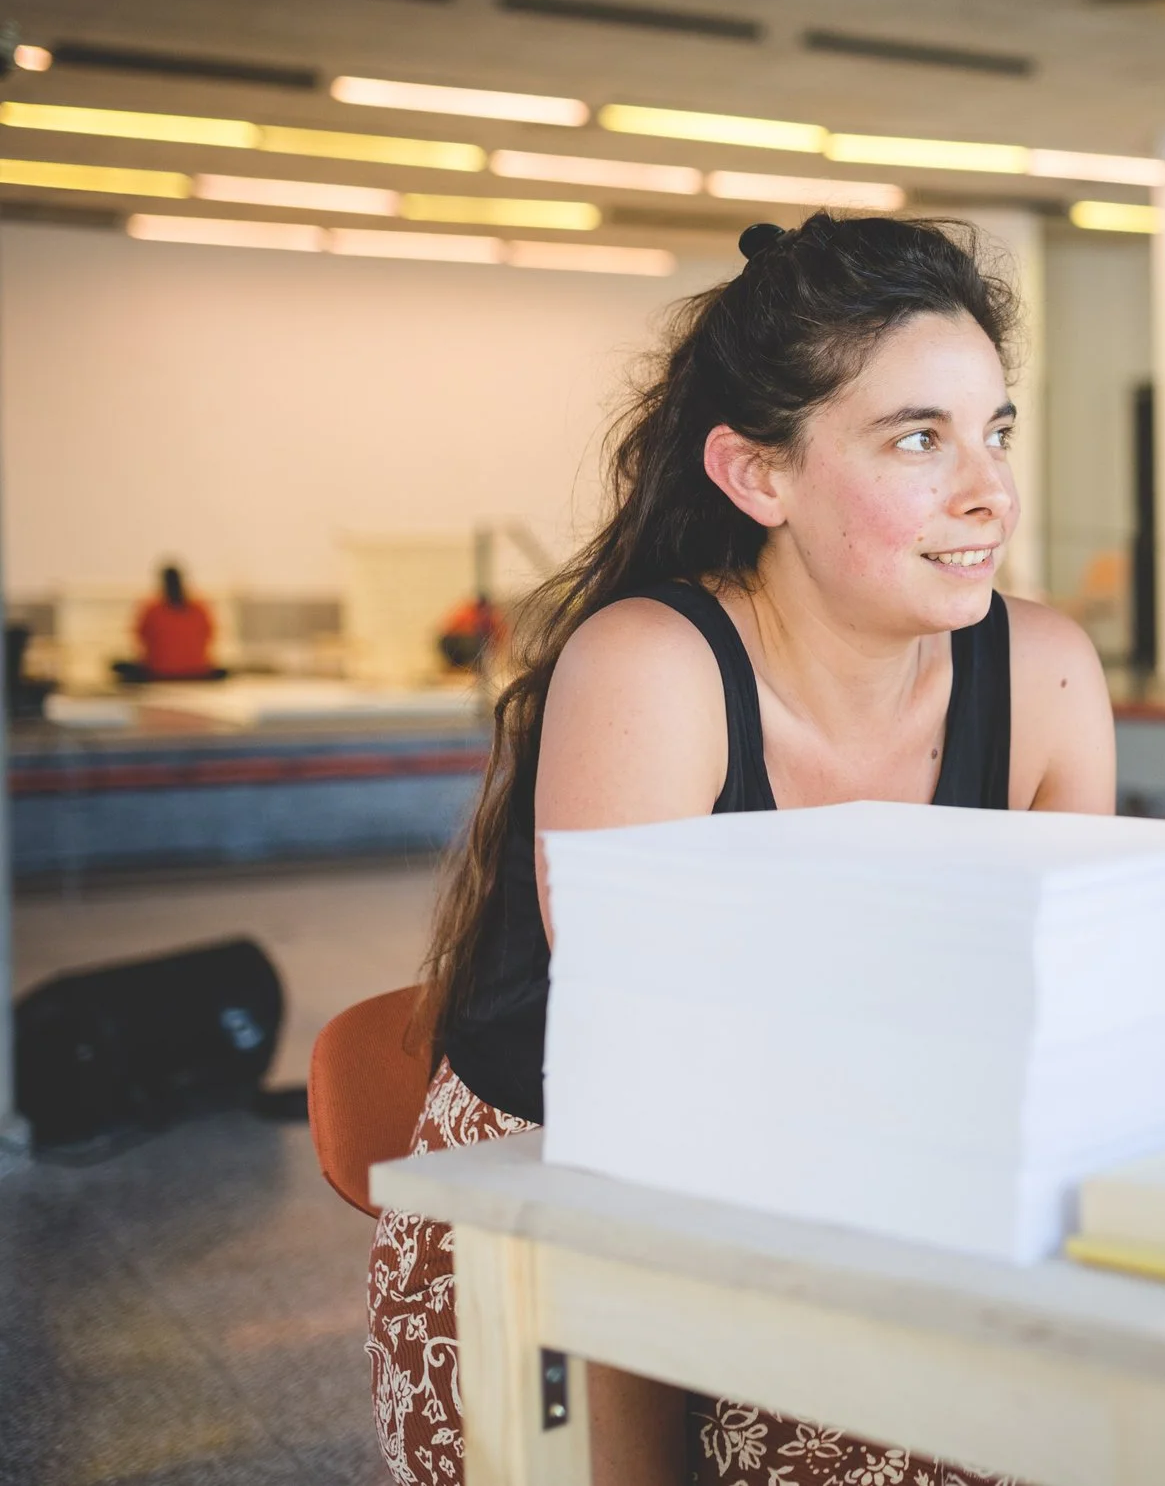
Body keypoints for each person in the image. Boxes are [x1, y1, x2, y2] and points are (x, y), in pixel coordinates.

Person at [368, 215, 1116, 1486]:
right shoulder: (654, 668)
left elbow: (1069, 1009)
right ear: (758, 475)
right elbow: (651, 1058)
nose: (990, 491)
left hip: (886, 1181)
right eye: (917, 438)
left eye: (994, 429)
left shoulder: (1044, 669)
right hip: (564, 1197)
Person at [116, 563, 224, 682]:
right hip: (199, 670)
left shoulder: (152, 608)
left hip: (159, 672)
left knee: (119, 667)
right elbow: (210, 637)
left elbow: (140, 639)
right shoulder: (200, 607)